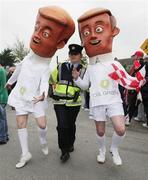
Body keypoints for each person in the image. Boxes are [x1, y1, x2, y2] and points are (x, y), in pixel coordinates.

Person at [72, 8, 145, 165]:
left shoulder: (114, 64)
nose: (92, 35)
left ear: (113, 32)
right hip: (97, 101)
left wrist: (140, 80)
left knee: (120, 129)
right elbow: (85, 86)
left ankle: (114, 149)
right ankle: (102, 150)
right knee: (100, 131)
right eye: (85, 34)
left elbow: (127, 82)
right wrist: (77, 79)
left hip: (113, 100)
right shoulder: (90, 67)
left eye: (99, 29)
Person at [6, 6, 75, 168]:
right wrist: (9, 82)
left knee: (42, 125)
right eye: (37, 28)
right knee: (21, 124)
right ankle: (25, 153)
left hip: (36, 97)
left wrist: (43, 94)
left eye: (45, 33)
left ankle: (43, 141)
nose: (37, 34)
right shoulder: (27, 58)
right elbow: (18, 70)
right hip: (21, 95)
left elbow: (45, 81)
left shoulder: (45, 66)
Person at [49, 44, 86, 162]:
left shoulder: (84, 70)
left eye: (75, 54)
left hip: (74, 103)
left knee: (70, 125)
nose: (73, 56)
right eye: (71, 54)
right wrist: (51, 92)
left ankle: (70, 143)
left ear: (81, 55)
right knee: (62, 126)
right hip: (59, 102)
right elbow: (51, 79)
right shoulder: (60, 67)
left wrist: (78, 78)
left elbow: (86, 87)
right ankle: (64, 151)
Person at [0, 63, 9, 144]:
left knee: (1, 119)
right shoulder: (2, 69)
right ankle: (5, 135)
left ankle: (2, 138)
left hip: (1, 96)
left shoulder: (0, 70)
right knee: (3, 118)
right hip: (3, 96)